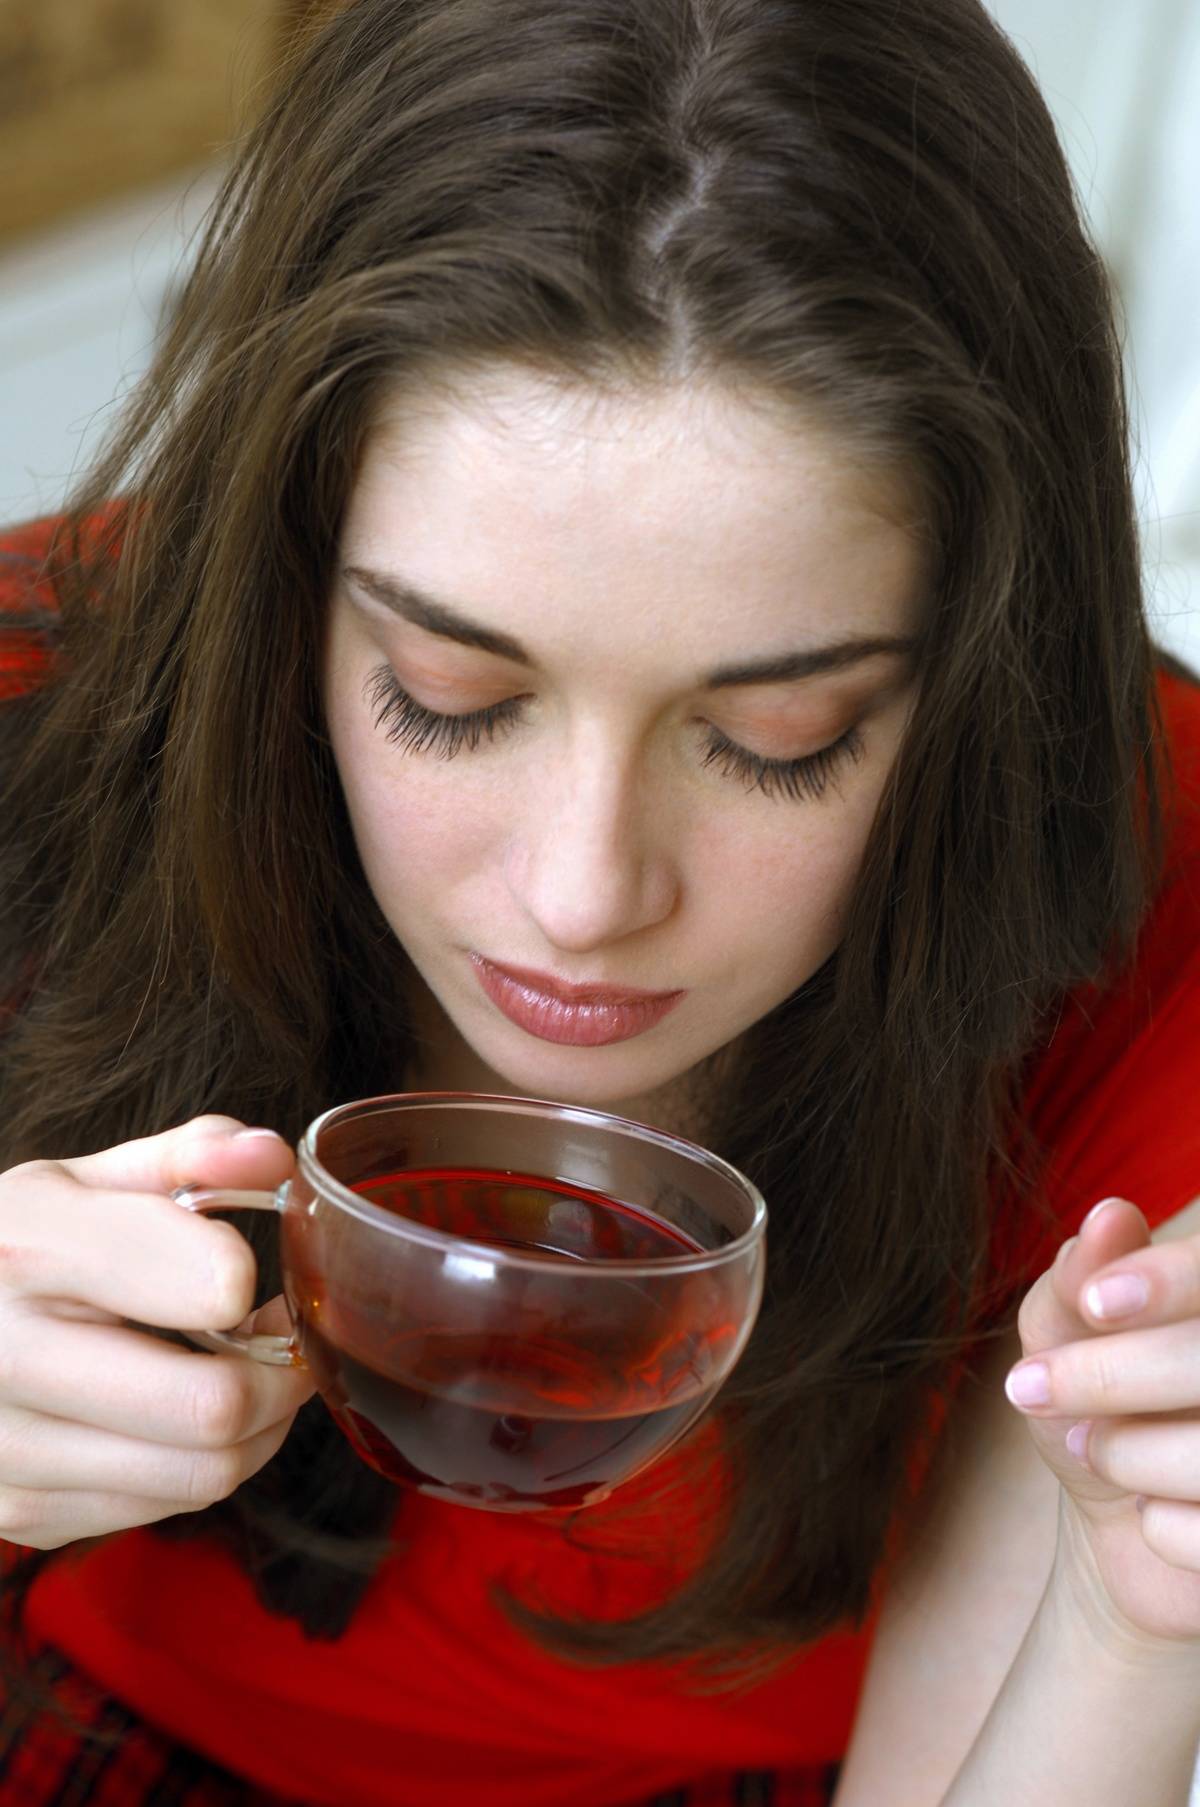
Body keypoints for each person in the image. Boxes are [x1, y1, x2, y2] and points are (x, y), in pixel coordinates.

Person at [0, 1, 1198, 1803]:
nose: (580, 898)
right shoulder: (41, 705)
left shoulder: (1156, 927)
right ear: (285, 594)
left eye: (780, 739)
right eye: (450, 698)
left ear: (983, 678)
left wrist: (1140, 1616)